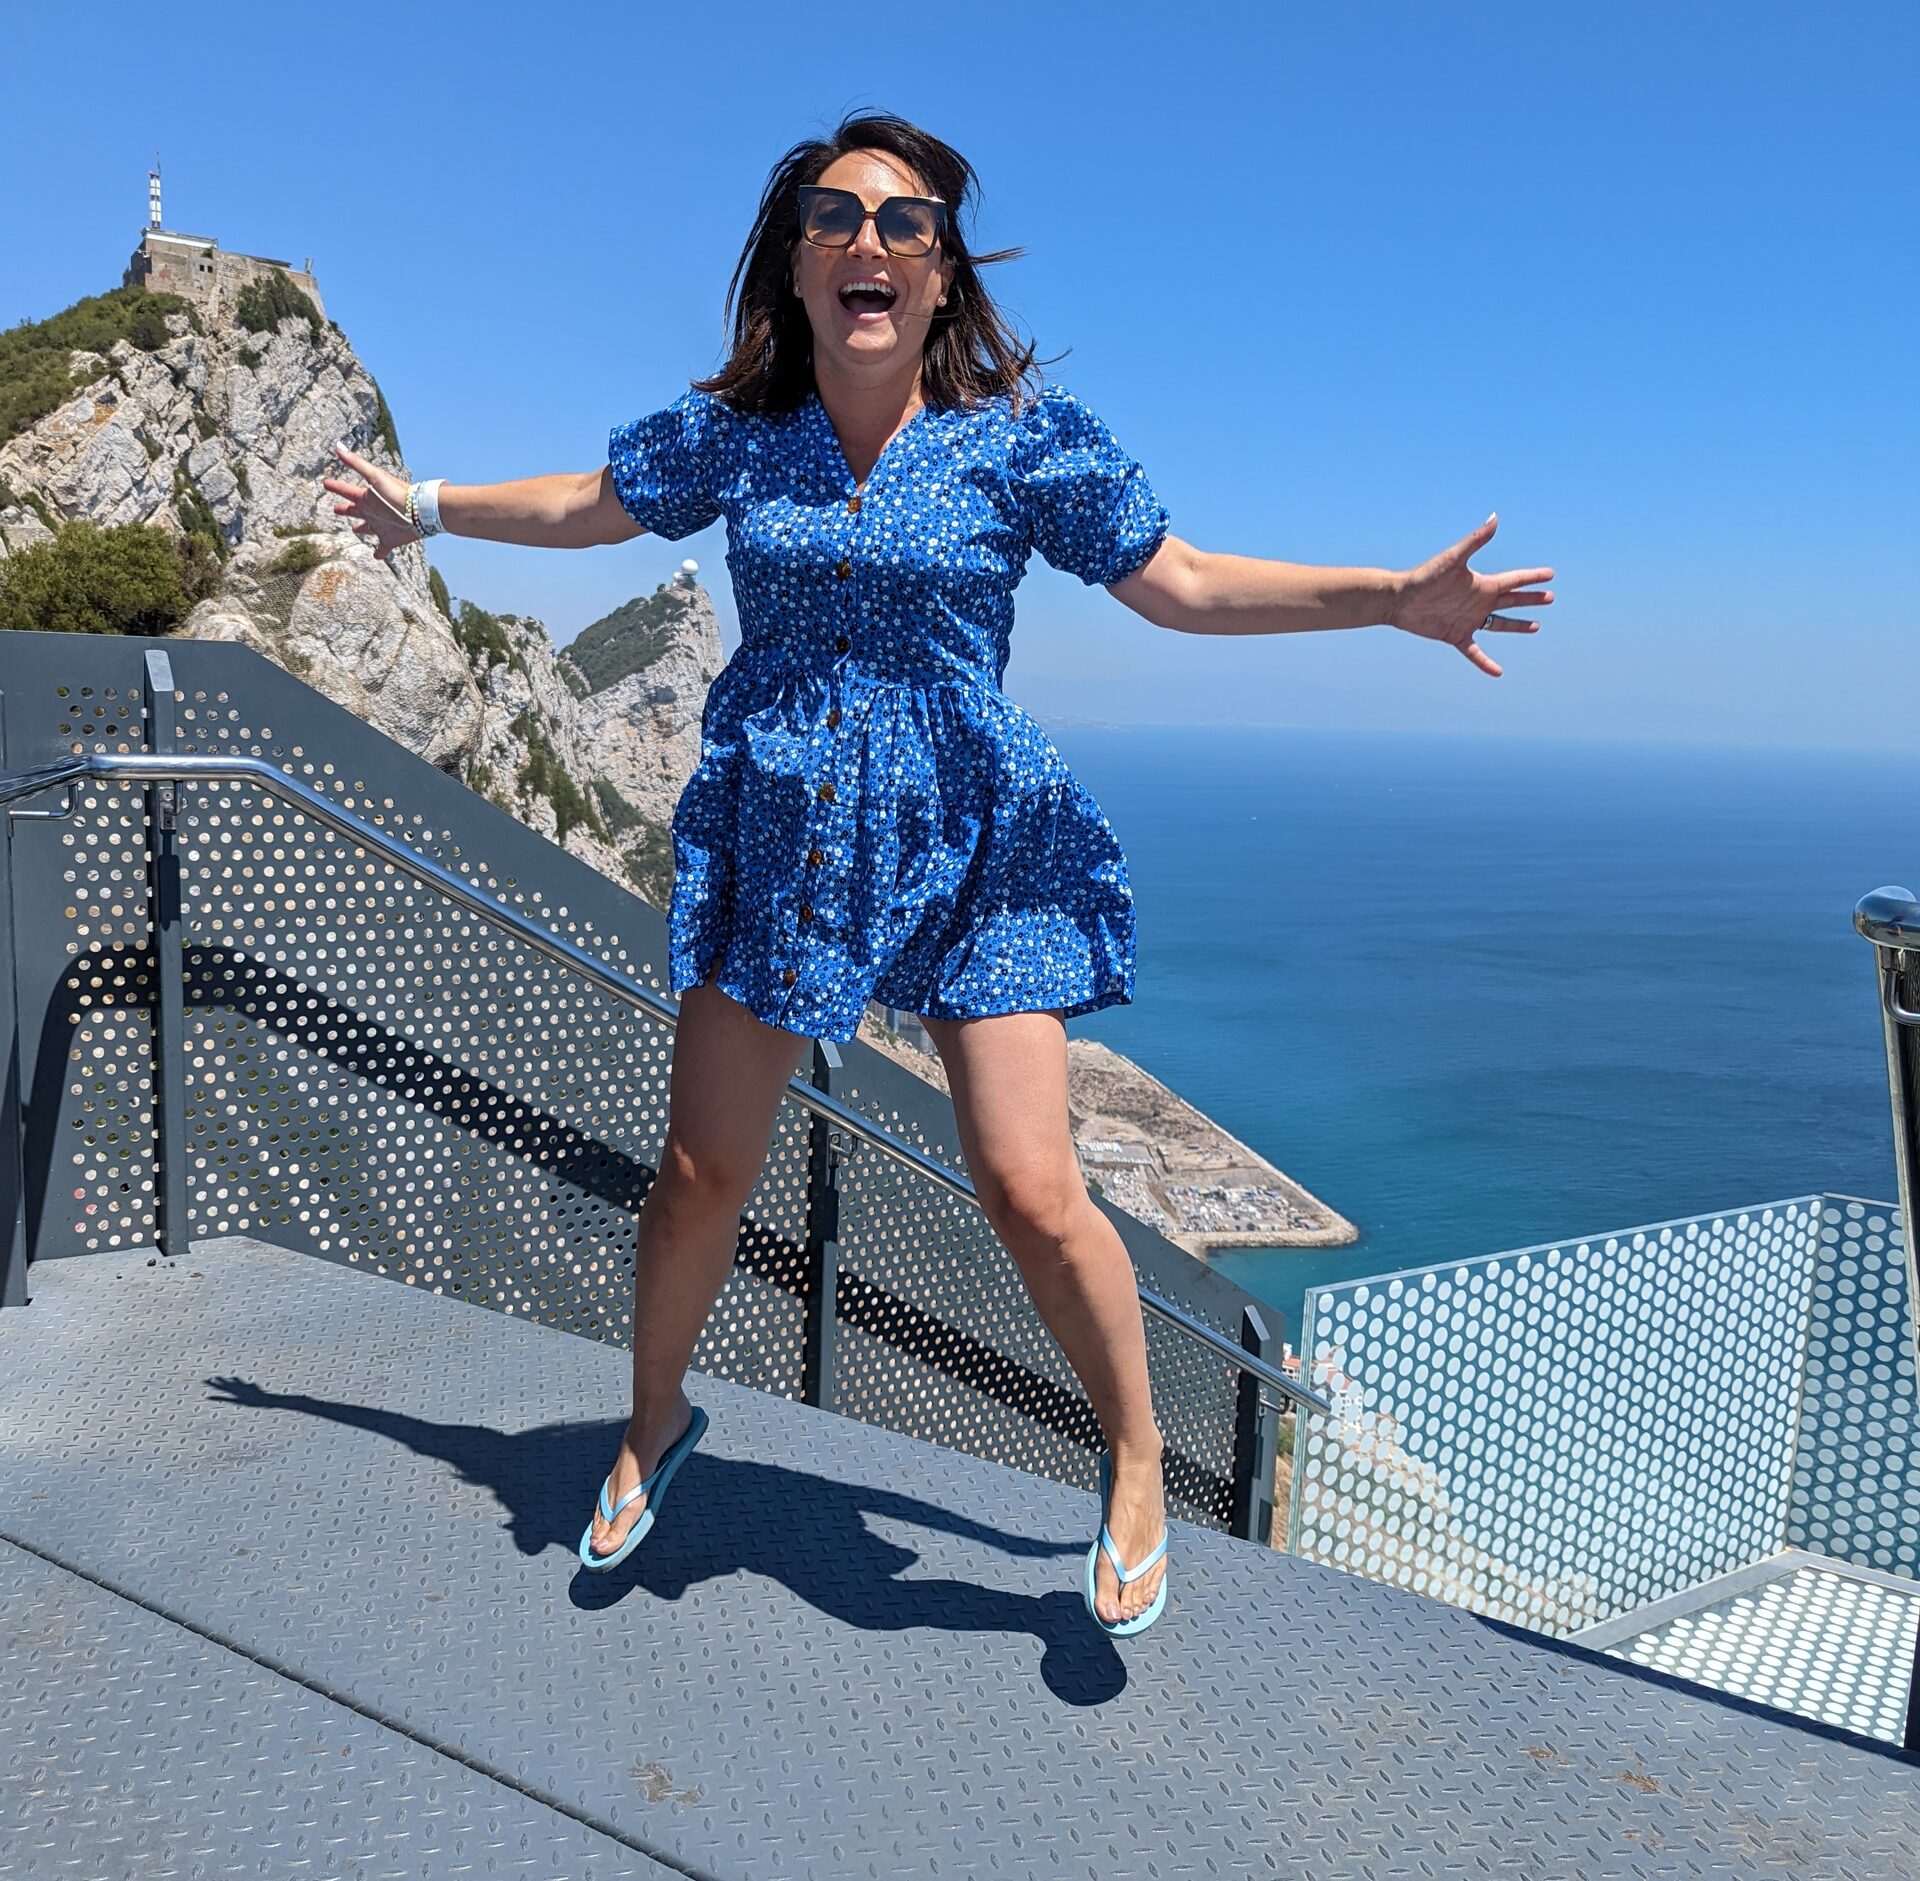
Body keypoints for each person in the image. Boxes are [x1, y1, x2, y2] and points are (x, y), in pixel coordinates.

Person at [324, 109, 1554, 1638]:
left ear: (943, 275)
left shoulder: (1019, 439)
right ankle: (654, 1424)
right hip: (782, 832)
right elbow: (594, 500)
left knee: (1031, 1185)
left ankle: (1137, 1451)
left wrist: (1393, 600)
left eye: (906, 225)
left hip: (975, 838)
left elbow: (1180, 584)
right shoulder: (739, 437)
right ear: (798, 258)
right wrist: (428, 505)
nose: (871, 243)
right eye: (840, 216)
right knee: (701, 1174)